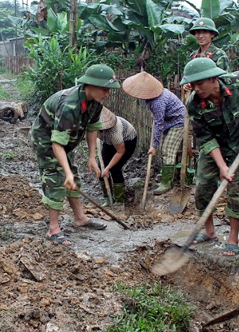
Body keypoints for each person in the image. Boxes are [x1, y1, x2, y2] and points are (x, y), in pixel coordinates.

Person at [182, 58, 239, 256]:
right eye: (192, 84)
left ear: (213, 78)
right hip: (214, 146)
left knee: (237, 190)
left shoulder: (236, 81)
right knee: (203, 186)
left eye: (199, 83)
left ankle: (233, 238)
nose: (196, 88)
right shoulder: (194, 103)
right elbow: (205, 137)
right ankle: (209, 231)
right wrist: (222, 166)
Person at [30, 64, 121, 245]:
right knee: (56, 180)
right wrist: (67, 173)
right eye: (105, 89)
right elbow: (56, 144)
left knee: (73, 177)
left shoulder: (95, 103)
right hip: (47, 141)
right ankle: (53, 229)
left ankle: (80, 218)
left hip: (66, 142)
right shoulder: (70, 105)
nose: (107, 93)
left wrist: (91, 157)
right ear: (91, 85)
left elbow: (93, 128)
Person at [123, 71, 185, 195]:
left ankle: (166, 184)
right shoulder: (152, 98)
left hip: (179, 122)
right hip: (170, 120)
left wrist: (154, 146)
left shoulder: (158, 102)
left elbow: (159, 124)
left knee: (168, 151)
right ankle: (167, 180)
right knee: (166, 150)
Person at [97, 107, 137, 205]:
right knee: (100, 168)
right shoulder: (92, 126)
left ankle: (119, 200)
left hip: (127, 141)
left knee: (115, 169)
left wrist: (108, 168)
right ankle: (108, 198)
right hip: (109, 142)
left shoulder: (114, 131)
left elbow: (120, 152)